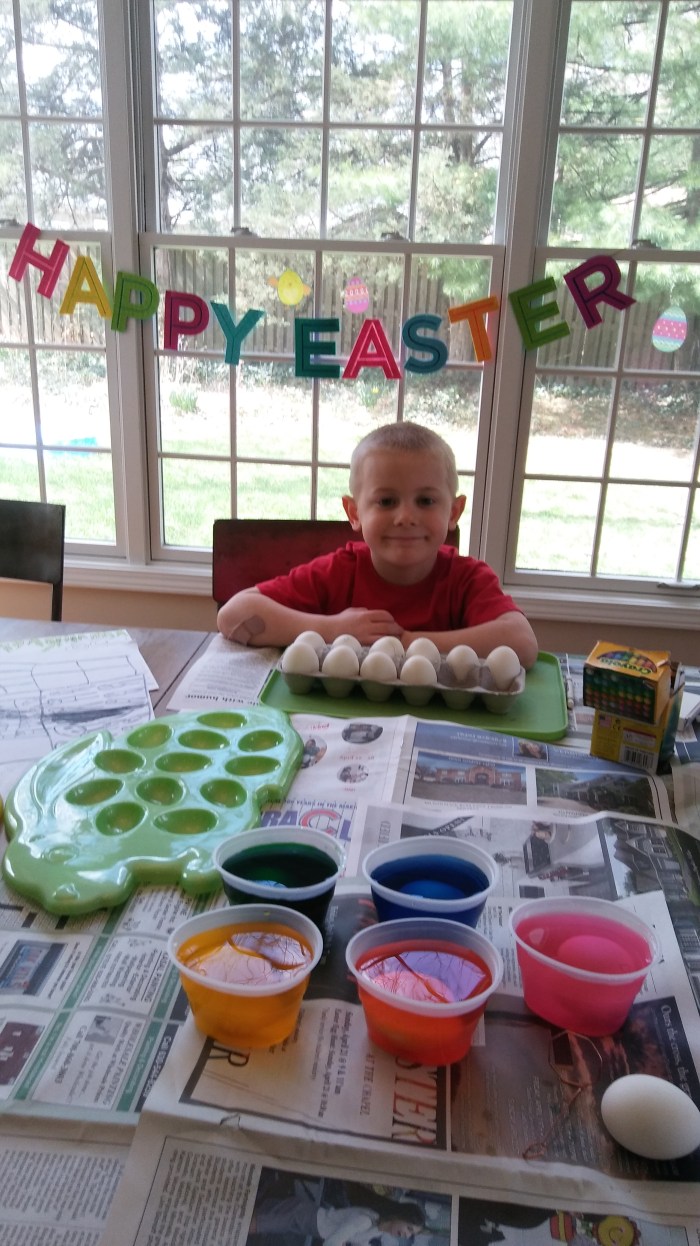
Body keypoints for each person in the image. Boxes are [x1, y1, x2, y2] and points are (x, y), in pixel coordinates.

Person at [218, 422, 538, 667]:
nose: (406, 517)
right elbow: (233, 615)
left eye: (425, 501)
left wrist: (406, 642)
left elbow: (522, 642)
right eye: (386, 501)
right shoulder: (339, 572)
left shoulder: (467, 579)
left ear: (453, 512)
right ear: (354, 512)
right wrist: (334, 630)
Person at [249, 1180, 425, 1246]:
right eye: (409, 1228)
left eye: (410, 1234)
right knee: (257, 1225)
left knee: (256, 1217)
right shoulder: (366, 1220)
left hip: (307, 1224)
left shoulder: (377, 1230)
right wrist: (340, 1241)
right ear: (400, 1217)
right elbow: (331, 1242)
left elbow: (359, 1240)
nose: (406, 1234)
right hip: (304, 1217)